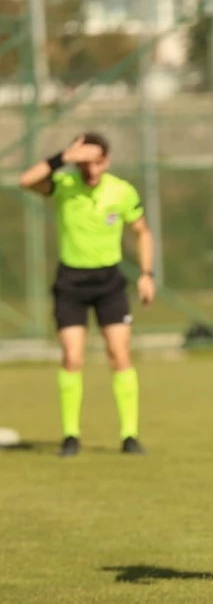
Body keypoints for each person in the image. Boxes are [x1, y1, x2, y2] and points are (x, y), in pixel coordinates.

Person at [18, 133, 155, 457]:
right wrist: (63, 156)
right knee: (72, 357)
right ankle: (70, 435)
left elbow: (142, 231)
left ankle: (129, 435)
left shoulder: (121, 191)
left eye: (97, 161)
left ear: (106, 161)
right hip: (71, 283)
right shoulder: (64, 186)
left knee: (119, 355)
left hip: (109, 282)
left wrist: (147, 274)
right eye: (85, 162)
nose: (91, 169)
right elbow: (26, 180)